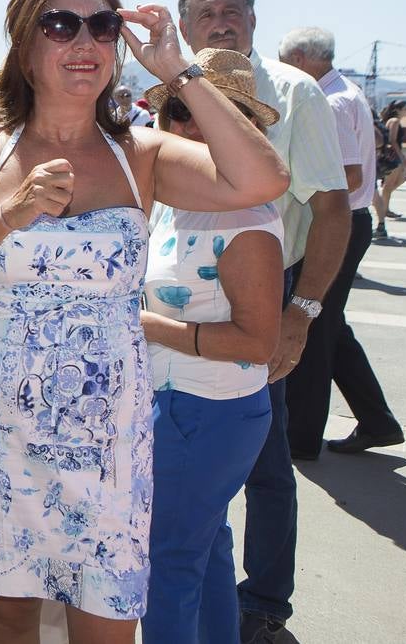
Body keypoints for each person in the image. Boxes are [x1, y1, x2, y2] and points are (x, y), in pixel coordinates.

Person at [0, 0, 287, 641]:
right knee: (9, 622)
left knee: (107, 621)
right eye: (61, 25)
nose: (85, 41)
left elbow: (261, 178)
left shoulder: (139, 153)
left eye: (103, 25)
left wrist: (178, 69)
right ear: (25, 46)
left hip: (107, 437)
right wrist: (7, 216)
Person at [176, 0, 349, 644]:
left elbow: (332, 208)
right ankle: (194, 586)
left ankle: (265, 604)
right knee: (177, 452)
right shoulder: (166, 91)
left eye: (234, 10)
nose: (222, 21)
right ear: (185, 26)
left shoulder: (295, 92)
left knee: (265, 462)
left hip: (263, 293)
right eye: (207, 12)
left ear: (252, 20)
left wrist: (299, 313)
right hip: (176, 289)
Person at [140, 48, 285, 644]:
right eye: (178, 110)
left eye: (213, 110)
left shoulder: (244, 217)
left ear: (242, 126)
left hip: (205, 409)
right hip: (184, 406)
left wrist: (147, 326)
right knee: (204, 552)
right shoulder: (182, 204)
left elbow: (258, 340)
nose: (190, 127)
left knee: (167, 565)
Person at [278, 27, 404, 459]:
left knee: (310, 325)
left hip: (336, 224)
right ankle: (377, 421)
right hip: (349, 220)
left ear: (300, 58)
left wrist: (286, 177)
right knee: (330, 325)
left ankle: (302, 438)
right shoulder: (345, 93)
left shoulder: (328, 103)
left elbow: (346, 175)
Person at [373, 100, 406, 238]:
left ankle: (384, 207)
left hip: (391, 155)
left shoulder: (392, 120)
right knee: (389, 186)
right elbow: (393, 140)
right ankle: (385, 209)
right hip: (394, 156)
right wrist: (401, 156)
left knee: (398, 181)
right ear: (398, 109)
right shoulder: (394, 121)